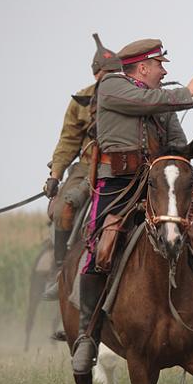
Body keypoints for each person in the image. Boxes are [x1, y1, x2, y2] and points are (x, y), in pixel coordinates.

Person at [71, 38, 193, 375]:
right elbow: (148, 100)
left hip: (155, 184)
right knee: (101, 243)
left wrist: (182, 161)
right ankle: (88, 334)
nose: (164, 70)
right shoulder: (113, 86)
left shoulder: (156, 99)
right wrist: (187, 92)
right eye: (159, 64)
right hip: (117, 184)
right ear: (142, 67)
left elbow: (175, 144)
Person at [42, 34, 122, 301]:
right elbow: (68, 142)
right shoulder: (80, 102)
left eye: (115, 73)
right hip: (88, 165)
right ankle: (60, 271)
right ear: (97, 74)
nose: (110, 79)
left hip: (123, 166)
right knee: (65, 208)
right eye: (106, 74)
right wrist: (55, 175)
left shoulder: (131, 95)